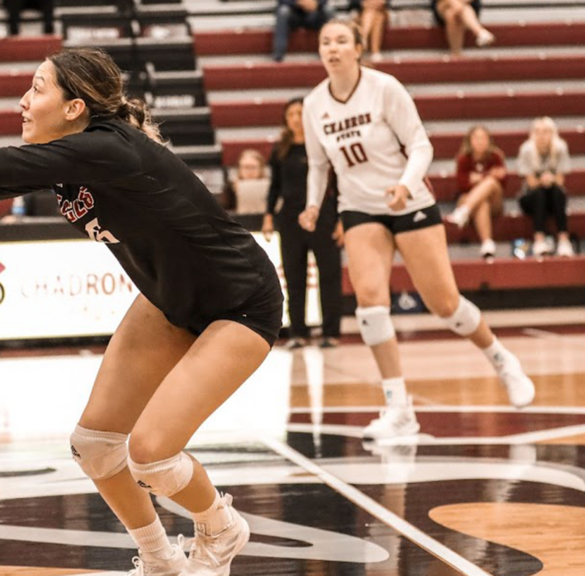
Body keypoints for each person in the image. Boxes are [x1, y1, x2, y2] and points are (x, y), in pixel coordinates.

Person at [0, 47, 287, 576]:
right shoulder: (70, 159)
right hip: (171, 300)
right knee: (96, 447)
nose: (23, 100)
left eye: (37, 88)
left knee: (151, 452)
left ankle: (221, 529)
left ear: (75, 108)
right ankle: (160, 559)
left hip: (241, 302)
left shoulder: (112, 149)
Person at [298, 19, 535, 441]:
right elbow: (318, 165)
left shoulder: (385, 88)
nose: (331, 49)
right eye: (324, 42)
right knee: (370, 302)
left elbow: (421, 144)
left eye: (340, 41)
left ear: (358, 48)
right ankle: (399, 408)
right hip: (360, 209)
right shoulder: (314, 104)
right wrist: (314, 205)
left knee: (445, 305)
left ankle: (500, 357)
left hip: (409, 204)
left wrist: (405, 185)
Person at [263, 97, 343, 349]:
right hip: (289, 218)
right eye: (292, 114)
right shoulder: (280, 150)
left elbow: (339, 185)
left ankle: (330, 332)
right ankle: (297, 332)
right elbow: (274, 186)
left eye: (301, 113)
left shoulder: (324, 146)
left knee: (329, 274)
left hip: (324, 215)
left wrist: (341, 220)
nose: (296, 118)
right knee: (293, 275)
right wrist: (268, 215)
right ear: (286, 120)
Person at [446, 125, 506, 260]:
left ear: (489, 140)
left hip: (494, 201)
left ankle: (464, 211)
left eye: (483, 138)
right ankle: (487, 243)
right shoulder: (463, 158)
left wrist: (480, 178)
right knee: (482, 203)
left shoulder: (496, 156)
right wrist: (489, 174)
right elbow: (462, 185)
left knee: (490, 183)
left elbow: (502, 183)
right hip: (472, 199)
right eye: (476, 138)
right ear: (470, 140)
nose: (480, 141)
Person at [517, 117, 574, 258]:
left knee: (557, 192)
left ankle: (563, 240)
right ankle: (539, 240)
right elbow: (530, 183)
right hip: (531, 198)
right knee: (539, 193)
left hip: (553, 197)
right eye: (538, 132)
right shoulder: (526, 149)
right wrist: (542, 180)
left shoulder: (560, 147)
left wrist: (551, 179)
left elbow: (560, 181)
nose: (542, 136)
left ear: (552, 133)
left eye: (546, 132)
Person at [223, 148, 269, 214]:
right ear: (239, 169)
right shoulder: (230, 188)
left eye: (253, 167)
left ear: (261, 168)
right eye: (246, 167)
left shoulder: (270, 187)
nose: (249, 171)